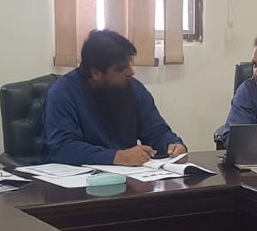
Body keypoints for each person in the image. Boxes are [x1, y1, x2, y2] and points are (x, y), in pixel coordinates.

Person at [44, 29, 186, 166]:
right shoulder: (62, 93)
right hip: (80, 179)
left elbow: (156, 131)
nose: (131, 72)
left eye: (129, 64)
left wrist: (173, 145)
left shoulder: (133, 88)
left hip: (130, 175)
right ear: (96, 73)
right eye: (121, 69)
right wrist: (117, 157)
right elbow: (63, 148)